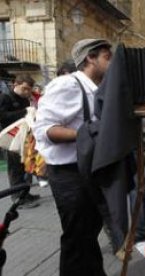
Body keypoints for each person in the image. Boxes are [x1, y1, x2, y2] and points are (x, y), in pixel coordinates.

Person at [33, 38, 112, 276]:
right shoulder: (67, 84)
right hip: (68, 174)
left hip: (90, 170)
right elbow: (44, 130)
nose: (113, 62)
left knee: (87, 234)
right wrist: (89, 135)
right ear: (90, 58)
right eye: (108, 57)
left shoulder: (99, 89)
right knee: (77, 237)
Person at [0, 74, 40, 209]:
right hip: (10, 140)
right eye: (24, 89)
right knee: (15, 170)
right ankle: (17, 198)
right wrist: (24, 111)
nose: (27, 92)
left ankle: (25, 194)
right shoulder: (5, 97)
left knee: (24, 167)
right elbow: (3, 117)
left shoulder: (24, 99)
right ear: (15, 84)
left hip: (22, 138)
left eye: (29, 90)